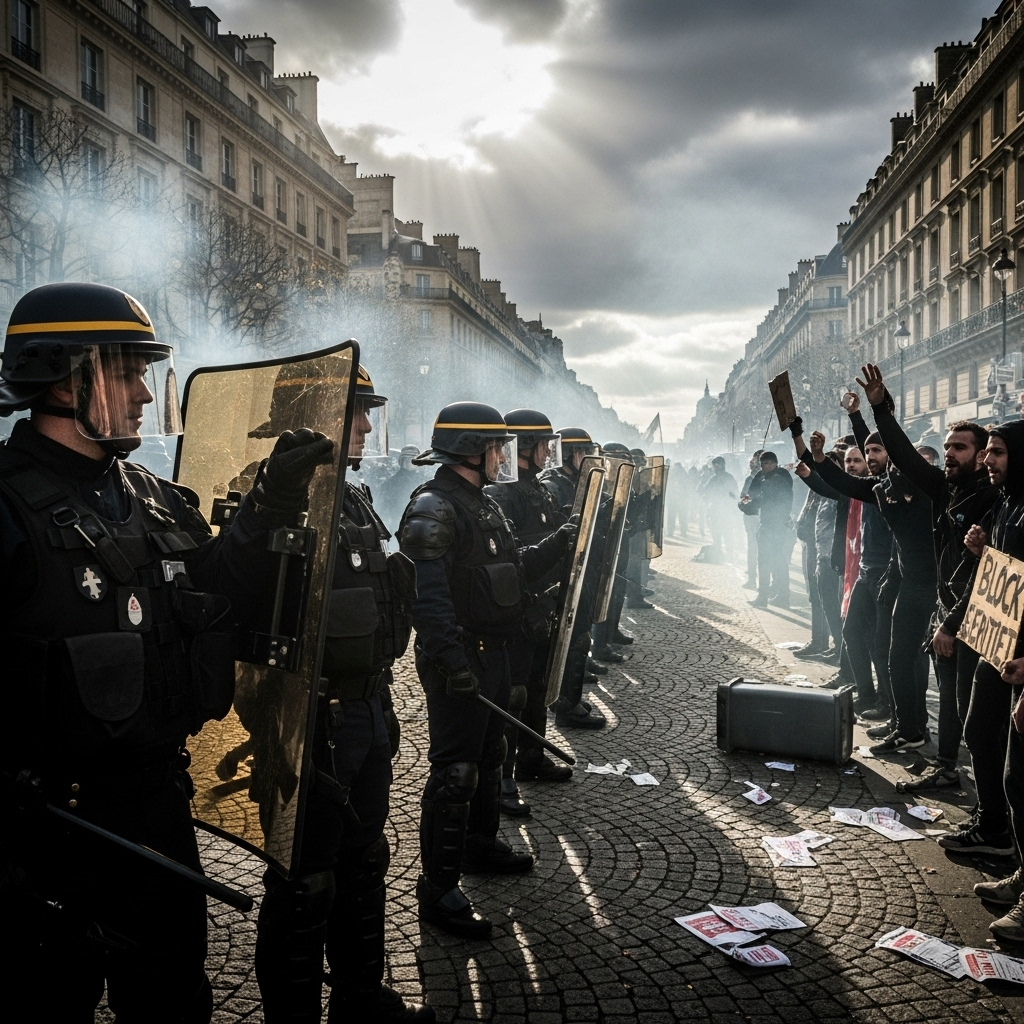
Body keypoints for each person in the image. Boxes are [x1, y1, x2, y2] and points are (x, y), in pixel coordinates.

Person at [0, 283, 334, 1022]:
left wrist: (272, 500)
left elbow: (216, 591)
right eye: (126, 371)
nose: (146, 394)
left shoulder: (152, 495)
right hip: (47, 830)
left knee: (177, 1002)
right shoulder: (5, 504)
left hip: (156, 810)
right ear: (63, 377)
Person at [254, 366, 432, 1023]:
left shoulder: (354, 497)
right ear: (314, 410)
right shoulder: (269, 497)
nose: (364, 424)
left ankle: (360, 999)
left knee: (365, 860)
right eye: (354, 410)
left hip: (367, 707)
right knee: (306, 884)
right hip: (311, 718)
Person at [399, 403, 575, 938]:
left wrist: (564, 541)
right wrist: (453, 665)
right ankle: (439, 888)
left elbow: (511, 568)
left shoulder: (482, 504)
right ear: (473, 448)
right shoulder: (434, 507)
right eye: (497, 446)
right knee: (455, 773)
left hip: (495, 650)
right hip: (462, 659)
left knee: (490, 754)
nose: (505, 455)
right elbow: (427, 604)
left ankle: (479, 846)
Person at [858, 364, 998, 794]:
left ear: (980, 455)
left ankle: (977, 793)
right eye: (948, 446)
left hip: (975, 614)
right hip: (947, 606)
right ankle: (946, 765)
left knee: (972, 707)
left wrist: (952, 620)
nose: (950, 453)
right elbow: (899, 452)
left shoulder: (993, 497)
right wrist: (881, 408)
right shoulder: (944, 487)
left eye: (960, 447)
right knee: (952, 694)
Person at [805, 411, 936, 754]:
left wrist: (871, 410)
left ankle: (910, 722)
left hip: (916, 582)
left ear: (892, 454)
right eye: (868, 452)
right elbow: (845, 484)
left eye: (878, 451)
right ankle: (898, 719)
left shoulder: (920, 484)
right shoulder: (881, 487)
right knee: (867, 641)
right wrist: (817, 458)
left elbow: (890, 445)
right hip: (883, 574)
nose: (870, 457)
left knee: (899, 654)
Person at [484, 409, 573, 818]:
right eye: (543, 444)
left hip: (544, 607)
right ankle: (503, 779)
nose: (549, 451)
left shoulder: (540, 490)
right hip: (518, 612)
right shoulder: (502, 495)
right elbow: (510, 560)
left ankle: (531, 757)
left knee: (537, 686)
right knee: (514, 692)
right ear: (525, 445)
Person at [962, 423, 1024, 932]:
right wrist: (986, 552)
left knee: (1020, 779)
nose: (988, 461)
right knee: (980, 735)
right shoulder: (1007, 505)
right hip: (998, 651)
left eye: (998, 453)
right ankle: (1020, 867)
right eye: (988, 453)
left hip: (1023, 663)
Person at [539, 427, 608, 730]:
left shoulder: (574, 482)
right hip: (565, 577)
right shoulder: (554, 486)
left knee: (580, 638)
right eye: (586, 453)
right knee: (571, 639)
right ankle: (565, 702)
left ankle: (570, 697)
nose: (591, 458)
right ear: (572, 454)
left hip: (583, 572)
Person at [739, 451, 793, 609]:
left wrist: (747, 505)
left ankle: (766, 597)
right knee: (771, 562)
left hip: (776, 525)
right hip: (768, 524)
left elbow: (760, 498)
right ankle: (778, 596)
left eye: (769, 463)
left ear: (775, 463)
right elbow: (751, 493)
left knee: (771, 562)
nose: (766, 466)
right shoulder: (761, 476)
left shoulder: (777, 478)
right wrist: (743, 502)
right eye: (764, 463)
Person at [376, 444, 423, 537]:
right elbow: (382, 509)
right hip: (398, 525)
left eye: (414, 459)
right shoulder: (390, 483)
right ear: (402, 461)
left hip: (420, 525)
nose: (412, 462)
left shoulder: (423, 481)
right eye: (409, 459)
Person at [701, 456, 739, 559]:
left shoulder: (729, 478)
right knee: (716, 533)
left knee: (727, 533)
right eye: (714, 466)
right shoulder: (713, 478)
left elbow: (735, 494)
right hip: (715, 510)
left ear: (722, 465)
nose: (715, 468)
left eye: (717, 465)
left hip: (726, 511)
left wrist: (732, 507)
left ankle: (729, 554)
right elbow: (705, 491)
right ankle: (718, 554)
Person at [739, 451, 763, 590]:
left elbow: (745, 497)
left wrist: (746, 500)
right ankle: (754, 579)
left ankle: (755, 580)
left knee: (755, 549)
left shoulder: (756, 478)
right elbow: (744, 496)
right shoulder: (751, 478)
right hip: (753, 517)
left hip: (758, 517)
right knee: (755, 549)